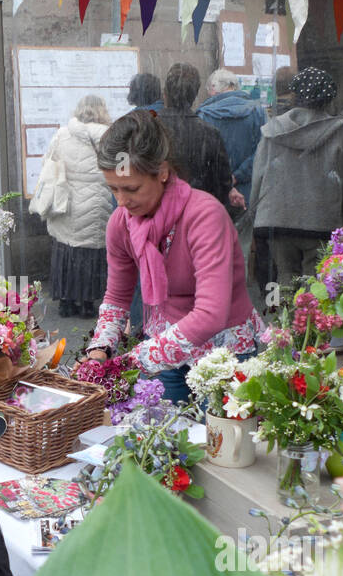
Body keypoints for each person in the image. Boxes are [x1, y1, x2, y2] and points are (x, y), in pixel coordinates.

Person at [81, 109, 263, 403]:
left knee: (220, 443)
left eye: (131, 188)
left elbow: (210, 314)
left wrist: (132, 360)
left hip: (223, 352)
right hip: (165, 350)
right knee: (163, 439)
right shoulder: (121, 223)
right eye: (112, 188)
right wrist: (99, 351)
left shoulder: (204, 216)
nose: (122, 201)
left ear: (163, 172)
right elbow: (116, 298)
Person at [251, 67, 343, 292]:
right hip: (321, 221)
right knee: (317, 286)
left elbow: (259, 177)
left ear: (295, 95)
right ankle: (309, 324)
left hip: (277, 219)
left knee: (285, 279)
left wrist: (255, 214)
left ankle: (285, 324)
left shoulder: (273, 131)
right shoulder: (339, 133)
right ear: (328, 98)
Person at [29, 94, 113, 319]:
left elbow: (48, 163)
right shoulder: (111, 138)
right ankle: (87, 303)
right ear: (102, 111)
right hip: (97, 205)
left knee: (66, 251)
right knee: (90, 254)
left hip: (66, 204)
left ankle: (66, 302)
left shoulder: (62, 134)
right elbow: (123, 170)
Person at [158, 64, 236, 209]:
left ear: (165, 93)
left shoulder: (149, 128)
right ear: (195, 95)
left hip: (158, 213)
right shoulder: (209, 133)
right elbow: (223, 184)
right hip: (198, 214)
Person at [197, 69, 267, 208]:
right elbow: (263, 152)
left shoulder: (203, 116)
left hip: (214, 195)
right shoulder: (258, 112)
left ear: (213, 88)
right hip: (249, 193)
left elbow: (202, 159)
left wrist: (225, 180)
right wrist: (238, 176)